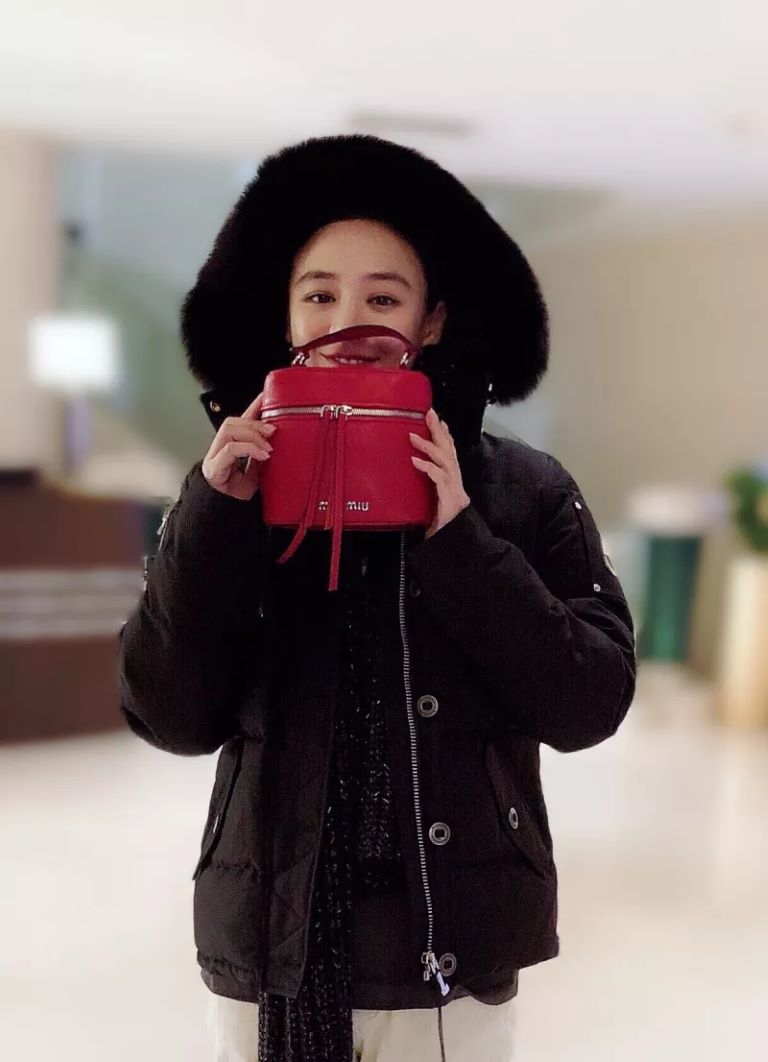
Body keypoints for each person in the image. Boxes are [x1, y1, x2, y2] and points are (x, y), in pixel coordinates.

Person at [117, 134, 637, 1062]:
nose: (347, 320)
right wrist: (212, 518)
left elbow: (590, 701)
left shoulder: (525, 491)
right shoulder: (234, 490)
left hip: (449, 964)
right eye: (319, 295)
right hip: (266, 952)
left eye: (383, 298)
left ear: (432, 322)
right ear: (285, 315)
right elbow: (167, 714)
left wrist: (461, 542)